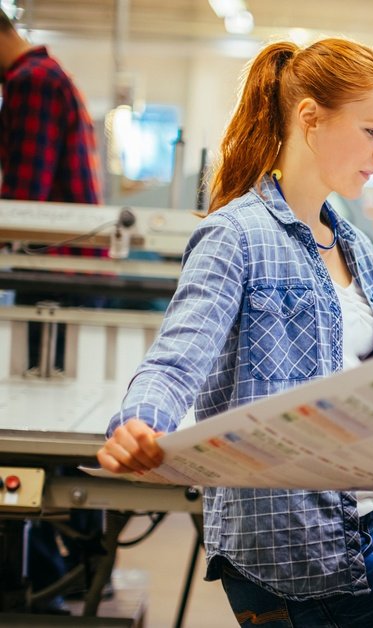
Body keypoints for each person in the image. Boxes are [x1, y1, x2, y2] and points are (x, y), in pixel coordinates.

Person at [96, 37, 373, 627]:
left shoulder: (358, 249)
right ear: (311, 118)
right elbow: (175, 361)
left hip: (359, 531)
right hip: (291, 547)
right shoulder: (235, 236)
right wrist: (139, 423)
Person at [0, 9, 106, 614]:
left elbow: (25, 202)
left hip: (54, 283)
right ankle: (80, 571)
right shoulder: (49, 75)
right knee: (57, 438)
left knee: (38, 433)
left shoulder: (30, 83)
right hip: (65, 280)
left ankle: (51, 584)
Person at [0, 9, 101, 203]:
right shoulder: (44, 74)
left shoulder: (33, 81)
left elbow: (24, 197)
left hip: (58, 231)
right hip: (67, 229)